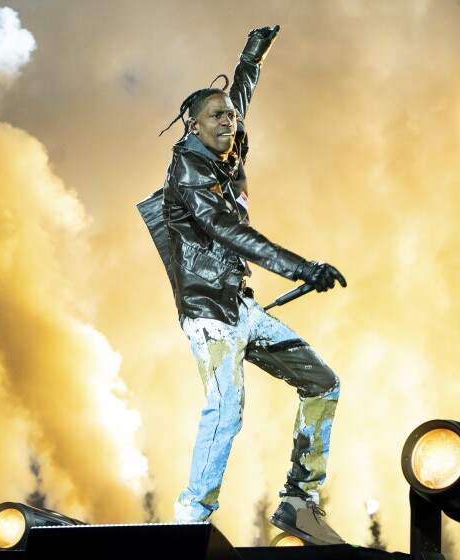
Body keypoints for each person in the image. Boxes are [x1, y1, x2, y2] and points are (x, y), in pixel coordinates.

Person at [155, 26, 347, 546]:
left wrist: (252, 56)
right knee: (226, 410)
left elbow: (236, 96)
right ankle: (190, 521)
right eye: (216, 117)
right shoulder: (190, 173)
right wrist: (303, 267)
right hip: (209, 316)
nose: (229, 121)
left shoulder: (222, 145)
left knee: (322, 382)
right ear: (191, 126)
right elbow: (230, 231)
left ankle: (300, 499)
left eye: (231, 116)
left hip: (240, 308)